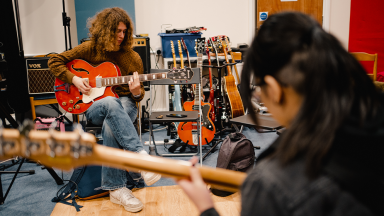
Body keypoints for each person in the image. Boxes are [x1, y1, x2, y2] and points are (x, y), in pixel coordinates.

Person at [178, 12, 383, 216]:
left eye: (258, 90)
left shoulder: (272, 186)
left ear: (274, 89)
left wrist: (206, 207)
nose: (258, 96)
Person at [48, 7, 160, 213]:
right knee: (109, 103)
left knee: (113, 118)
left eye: (124, 31)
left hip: (125, 103)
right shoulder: (91, 48)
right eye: (117, 31)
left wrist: (136, 92)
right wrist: (75, 79)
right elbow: (54, 60)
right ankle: (141, 158)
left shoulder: (132, 58)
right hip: (93, 106)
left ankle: (117, 189)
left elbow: (138, 95)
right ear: (105, 30)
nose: (121, 35)